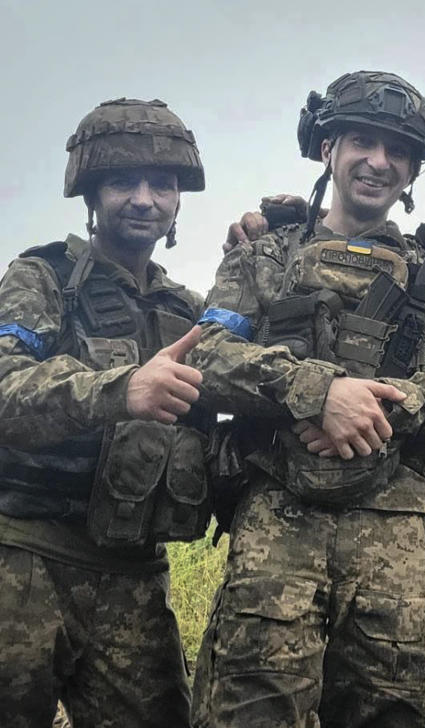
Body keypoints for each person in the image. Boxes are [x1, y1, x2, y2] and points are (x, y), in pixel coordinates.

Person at [188, 70, 425, 728]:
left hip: (398, 537)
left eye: (399, 151)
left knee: (391, 713)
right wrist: (314, 389)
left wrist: (384, 406)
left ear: (414, 169)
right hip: (276, 521)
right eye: (363, 141)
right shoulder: (262, 259)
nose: (379, 162)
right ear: (327, 148)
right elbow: (205, 357)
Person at [0, 98, 210, 728]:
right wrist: (121, 391)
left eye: (162, 185)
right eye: (123, 181)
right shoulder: (41, 278)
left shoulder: (189, 308)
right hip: (24, 564)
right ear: (91, 194)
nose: (144, 199)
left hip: (135, 577)